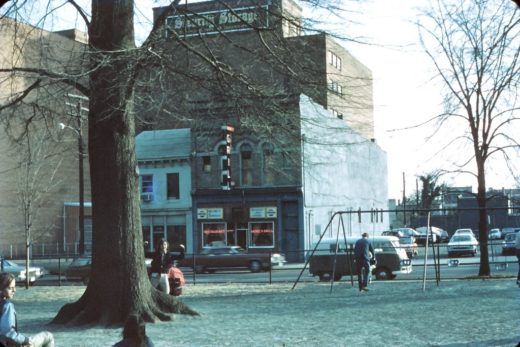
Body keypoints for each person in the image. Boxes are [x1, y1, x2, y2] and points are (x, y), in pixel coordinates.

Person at [0, 273, 55, 347]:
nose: (14, 290)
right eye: (10, 288)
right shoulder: (7, 306)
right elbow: (7, 332)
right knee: (48, 336)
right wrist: (24, 340)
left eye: (14, 287)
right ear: (1, 289)